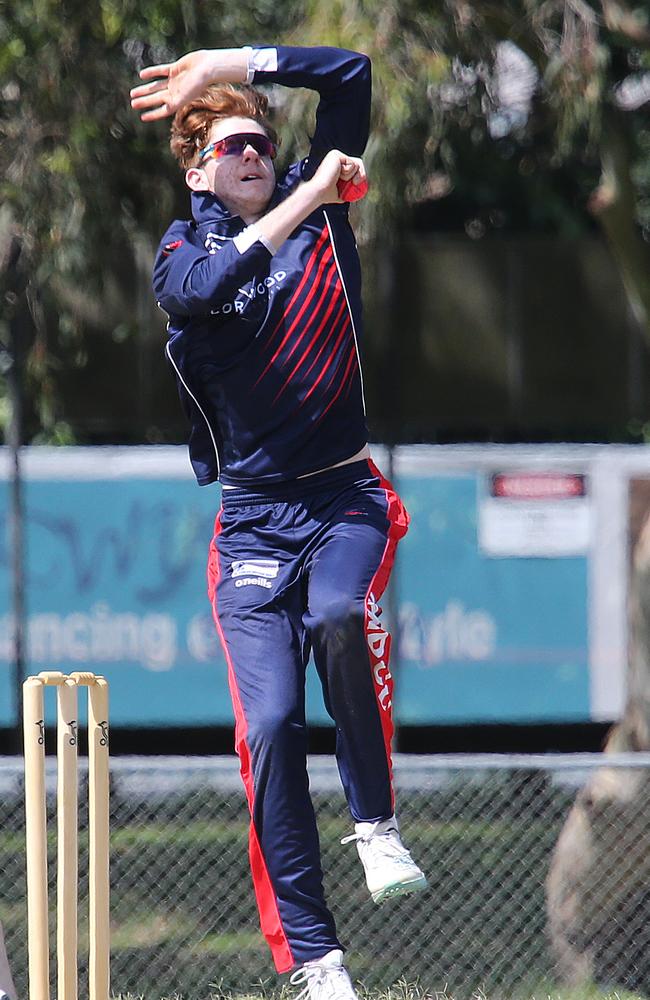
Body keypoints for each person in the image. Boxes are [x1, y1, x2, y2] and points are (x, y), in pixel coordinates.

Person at [130, 43, 426, 1000]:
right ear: (196, 170)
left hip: (344, 499)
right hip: (252, 528)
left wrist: (236, 59)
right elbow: (200, 294)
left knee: (341, 617)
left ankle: (376, 827)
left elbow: (348, 76)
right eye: (231, 148)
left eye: (262, 140)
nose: (255, 154)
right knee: (266, 728)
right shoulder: (185, 252)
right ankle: (315, 959)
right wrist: (309, 199)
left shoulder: (321, 213)